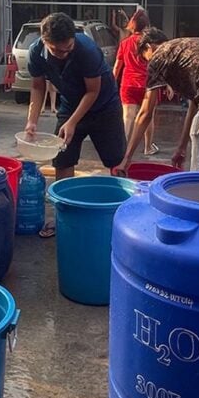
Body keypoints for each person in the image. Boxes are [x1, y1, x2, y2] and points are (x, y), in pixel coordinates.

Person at [24, 13, 125, 235]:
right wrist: (32, 120)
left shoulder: (86, 49)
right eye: (57, 50)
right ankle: (62, 216)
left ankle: (121, 217)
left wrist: (72, 123)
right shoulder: (36, 53)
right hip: (70, 105)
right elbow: (38, 87)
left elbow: (93, 91)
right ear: (44, 41)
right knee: (62, 157)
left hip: (104, 106)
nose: (64, 53)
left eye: (68, 48)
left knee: (116, 159)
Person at [115, 29, 199, 174]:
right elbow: (195, 102)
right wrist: (182, 148)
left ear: (149, 47)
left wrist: (126, 158)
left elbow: (145, 114)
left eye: (144, 58)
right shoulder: (182, 50)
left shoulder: (158, 56)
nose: (147, 63)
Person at [113, 8, 158, 155]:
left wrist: (112, 84)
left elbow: (117, 67)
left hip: (128, 84)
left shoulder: (125, 43)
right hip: (147, 85)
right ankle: (148, 147)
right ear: (146, 26)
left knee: (127, 117)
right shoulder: (150, 44)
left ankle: (122, 148)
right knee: (148, 116)